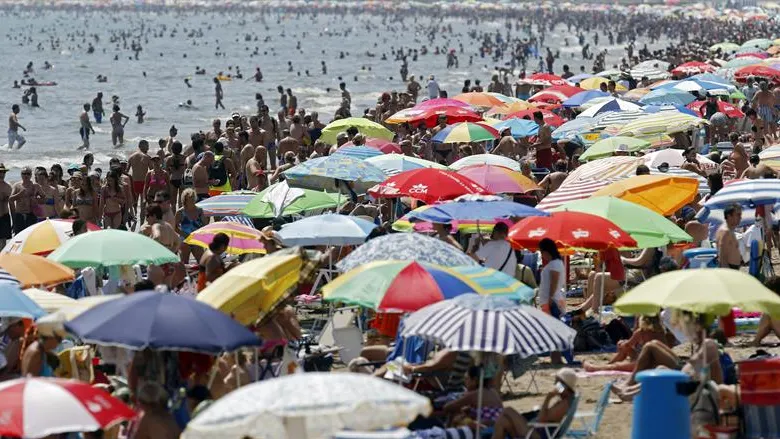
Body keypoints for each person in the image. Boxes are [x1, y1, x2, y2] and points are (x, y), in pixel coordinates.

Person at [611, 311, 723, 400]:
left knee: (651, 347)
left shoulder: (709, 346)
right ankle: (630, 390)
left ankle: (629, 386)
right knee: (657, 356)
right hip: (684, 369)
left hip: (685, 375)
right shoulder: (705, 344)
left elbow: (707, 379)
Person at [490, 368, 578, 439]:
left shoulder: (564, 404)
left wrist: (548, 398)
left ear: (565, 386)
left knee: (508, 410)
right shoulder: (564, 401)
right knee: (503, 421)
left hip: (537, 434)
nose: (554, 384)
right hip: (535, 430)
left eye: (557, 383)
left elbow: (541, 419)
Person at [175, 188, 205, 265]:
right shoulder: (180, 212)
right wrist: (185, 235)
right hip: (185, 239)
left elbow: (204, 226)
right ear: (185, 200)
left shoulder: (200, 211)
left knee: (202, 263)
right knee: (184, 264)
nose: (192, 201)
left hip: (197, 239)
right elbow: (175, 227)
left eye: (193, 198)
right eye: (189, 199)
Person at [9, 167, 43, 235]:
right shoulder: (17, 185)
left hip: (31, 214)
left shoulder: (35, 186)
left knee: (31, 235)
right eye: (24, 173)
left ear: (31, 175)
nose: (26, 175)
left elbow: (44, 199)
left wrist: (36, 199)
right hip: (19, 214)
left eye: (28, 174)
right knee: (19, 236)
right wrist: (19, 194)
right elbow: (10, 199)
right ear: (21, 175)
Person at [716, 203, 742, 269]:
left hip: (732, 267)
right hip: (729, 268)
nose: (740, 218)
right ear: (729, 216)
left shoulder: (728, 230)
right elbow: (722, 256)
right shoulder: (725, 232)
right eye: (738, 215)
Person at [128, 139, 151, 212]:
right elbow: (152, 171)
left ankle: (134, 215)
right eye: (147, 146)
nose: (148, 148)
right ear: (141, 146)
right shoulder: (147, 157)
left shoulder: (131, 157)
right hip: (144, 182)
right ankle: (141, 218)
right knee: (143, 202)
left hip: (134, 182)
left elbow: (126, 171)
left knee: (134, 201)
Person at [0, 164, 11, 249]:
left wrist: (14, 219)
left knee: (3, 241)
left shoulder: (8, 186)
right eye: (0, 172)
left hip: (5, 216)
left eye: (3, 172)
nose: (2, 174)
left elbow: (11, 204)